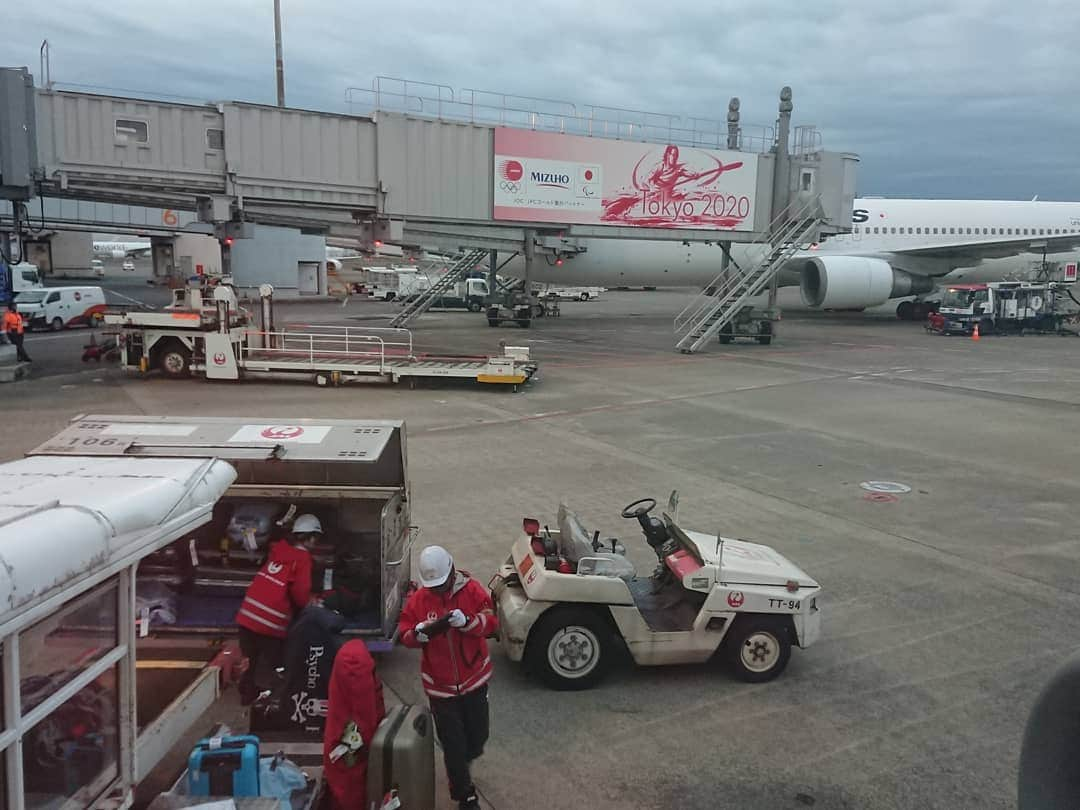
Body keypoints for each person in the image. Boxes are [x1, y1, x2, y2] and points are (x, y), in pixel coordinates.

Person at [399, 546, 498, 810]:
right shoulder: (419, 600)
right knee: (453, 746)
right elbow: (405, 632)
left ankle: (464, 762)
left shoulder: (472, 590)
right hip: (440, 689)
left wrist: (468, 622)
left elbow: (491, 623)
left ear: (452, 572)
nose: (439, 592)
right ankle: (464, 794)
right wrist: (416, 635)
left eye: (442, 586)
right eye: (434, 588)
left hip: (474, 680)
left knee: (477, 738)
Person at [235, 513, 320, 705]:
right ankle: (280, 699)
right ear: (310, 537)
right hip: (270, 622)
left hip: (247, 616)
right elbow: (300, 592)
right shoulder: (303, 558)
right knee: (279, 663)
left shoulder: (278, 550)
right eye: (316, 538)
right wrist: (309, 605)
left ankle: (247, 694)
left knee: (251, 659)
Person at [323, 640, 386, 810]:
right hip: (352, 753)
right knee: (352, 794)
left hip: (339, 742)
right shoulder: (357, 666)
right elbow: (365, 718)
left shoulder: (349, 660)